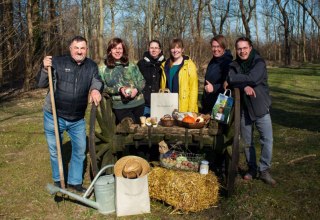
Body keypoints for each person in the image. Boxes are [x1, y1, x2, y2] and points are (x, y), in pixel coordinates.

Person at [37, 36, 103, 192]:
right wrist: (45, 69)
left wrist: (95, 89)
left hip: (77, 118)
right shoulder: (58, 62)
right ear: (70, 48)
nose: (79, 51)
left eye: (82, 48)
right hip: (54, 115)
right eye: (76, 48)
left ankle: (74, 182)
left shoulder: (91, 66)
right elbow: (41, 84)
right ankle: (59, 181)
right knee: (55, 149)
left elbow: (97, 80)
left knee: (80, 149)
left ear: (86, 49)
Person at [224, 37, 276, 186]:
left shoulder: (258, 62)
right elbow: (229, 80)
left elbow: (252, 78)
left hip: (260, 107)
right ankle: (252, 168)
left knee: (267, 139)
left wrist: (236, 81)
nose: (242, 51)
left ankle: (264, 170)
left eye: (245, 48)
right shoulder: (234, 64)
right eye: (239, 48)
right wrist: (243, 86)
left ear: (250, 48)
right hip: (244, 109)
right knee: (247, 142)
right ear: (236, 50)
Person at [99, 37, 145, 124]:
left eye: (120, 48)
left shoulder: (131, 65)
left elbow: (142, 81)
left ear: (123, 50)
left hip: (138, 103)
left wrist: (136, 89)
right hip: (120, 106)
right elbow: (102, 87)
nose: (117, 51)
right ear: (109, 50)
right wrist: (119, 89)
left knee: (139, 132)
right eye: (114, 48)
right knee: (128, 131)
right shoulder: (103, 68)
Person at [161, 38, 198, 113]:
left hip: (184, 107)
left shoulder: (189, 65)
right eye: (172, 48)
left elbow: (193, 89)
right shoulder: (165, 65)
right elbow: (163, 87)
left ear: (182, 49)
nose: (175, 50)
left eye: (178, 48)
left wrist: (190, 111)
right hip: (168, 105)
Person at [201, 35, 233, 114]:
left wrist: (214, 88)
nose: (215, 49)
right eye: (213, 46)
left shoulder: (227, 62)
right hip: (208, 102)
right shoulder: (214, 60)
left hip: (220, 104)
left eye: (218, 46)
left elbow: (228, 84)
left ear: (223, 47)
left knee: (216, 126)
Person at [137, 40, 165, 117]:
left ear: (160, 50)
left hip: (161, 103)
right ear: (148, 49)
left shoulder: (165, 64)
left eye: (156, 48)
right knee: (145, 126)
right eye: (152, 47)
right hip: (145, 102)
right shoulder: (141, 64)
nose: (154, 50)